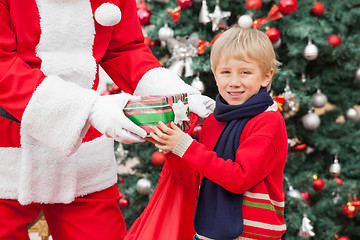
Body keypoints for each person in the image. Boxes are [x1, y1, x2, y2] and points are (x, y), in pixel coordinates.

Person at [0, 1, 214, 239]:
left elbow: (124, 49)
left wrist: (176, 94)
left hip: (84, 150)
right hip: (8, 142)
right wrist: (89, 109)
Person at [150, 26, 288, 240]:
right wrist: (171, 146)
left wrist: (186, 146)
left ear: (266, 77)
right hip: (209, 232)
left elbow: (240, 177)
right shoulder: (214, 120)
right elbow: (197, 177)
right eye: (225, 72)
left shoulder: (268, 121)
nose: (234, 82)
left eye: (245, 72)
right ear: (215, 75)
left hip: (252, 234)